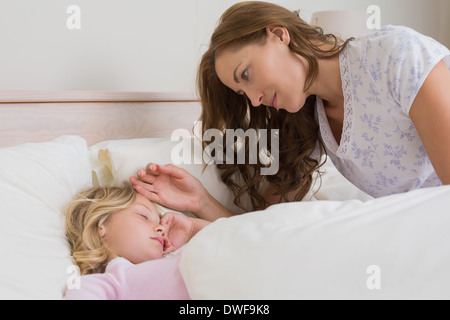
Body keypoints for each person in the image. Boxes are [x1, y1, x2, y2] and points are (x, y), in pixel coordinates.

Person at [131, 1, 450, 220]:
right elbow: (266, 229)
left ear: (278, 34)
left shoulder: (395, 55)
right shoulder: (309, 119)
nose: (254, 101)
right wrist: (199, 201)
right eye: (243, 93)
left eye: (246, 74)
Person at [63, 186, 210, 300]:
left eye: (159, 222)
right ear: (100, 225)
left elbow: (227, 239)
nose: (161, 228)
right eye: (144, 216)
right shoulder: (97, 284)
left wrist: (192, 229)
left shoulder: (177, 255)